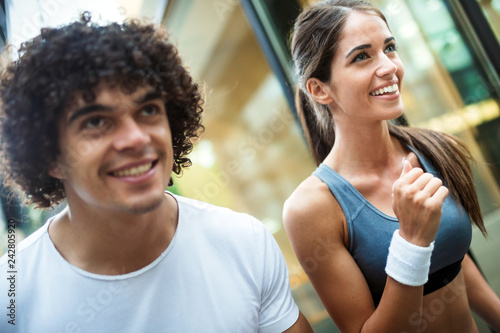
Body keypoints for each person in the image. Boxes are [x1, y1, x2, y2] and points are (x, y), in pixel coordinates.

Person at [0, 14, 313, 333]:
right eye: (95, 121)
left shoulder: (243, 241)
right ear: (50, 156)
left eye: (148, 110)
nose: (137, 137)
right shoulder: (11, 292)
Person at [283, 0, 500, 332]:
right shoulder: (310, 209)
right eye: (361, 56)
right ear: (319, 89)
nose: (388, 67)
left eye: (390, 48)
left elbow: (452, 265)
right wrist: (411, 242)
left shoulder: (433, 148)